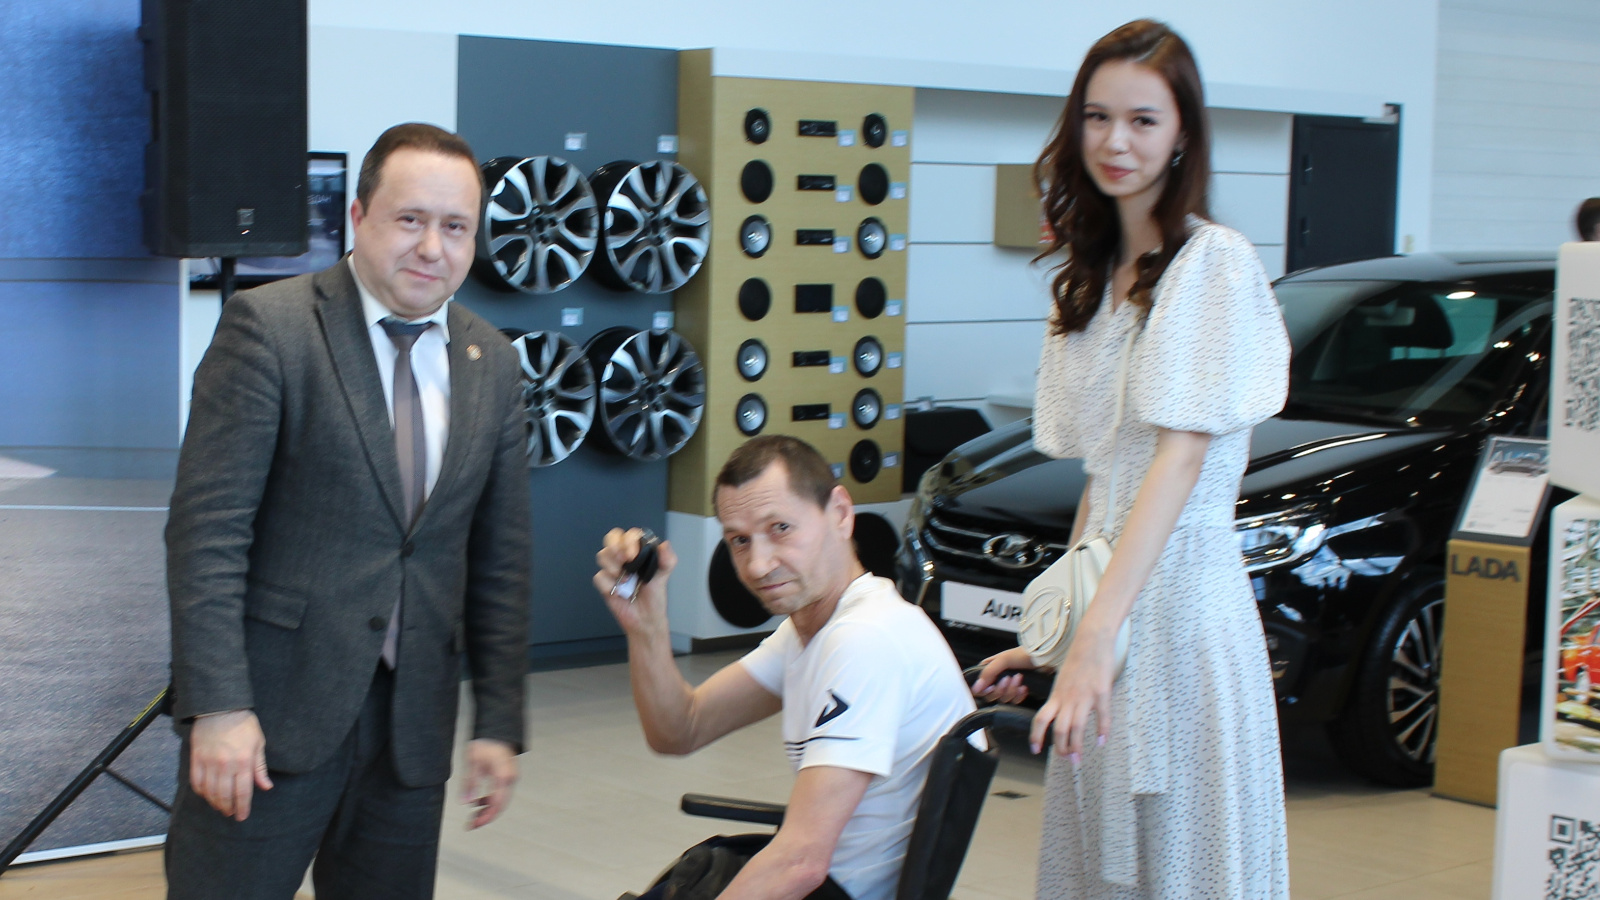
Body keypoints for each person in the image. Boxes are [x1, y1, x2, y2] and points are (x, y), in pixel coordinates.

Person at [164, 123, 532, 900]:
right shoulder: (270, 328)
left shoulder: (493, 363)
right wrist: (219, 705)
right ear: (359, 216)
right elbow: (207, 536)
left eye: (455, 227)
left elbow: (501, 558)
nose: (431, 247)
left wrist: (499, 721)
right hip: (268, 718)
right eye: (410, 219)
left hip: (411, 730)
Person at [971, 20, 1291, 899]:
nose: (1117, 142)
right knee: (1103, 870)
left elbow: (1178, 463)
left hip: (1185, 616)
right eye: (1099, 117)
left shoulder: (1214, 264)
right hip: (1113, 617)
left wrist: (1095, 637)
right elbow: (1102, 479)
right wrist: (1056, 635)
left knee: (1185, 865)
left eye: (1144, 120)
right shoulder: (1091, 276)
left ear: (1183, 133)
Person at [593, 435, 975, 900]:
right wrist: (647, 628)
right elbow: (679, 729)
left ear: (840, 512)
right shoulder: (814, 629)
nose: (757, 565)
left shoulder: (865, 638)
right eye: (739, 540)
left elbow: (800, 865)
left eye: (780, 528)